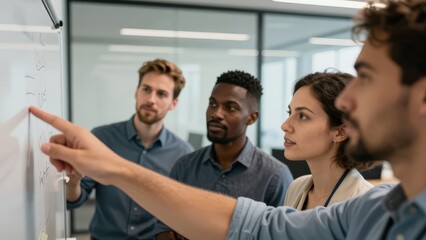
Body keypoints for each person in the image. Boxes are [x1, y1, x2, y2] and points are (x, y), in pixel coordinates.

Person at [31, 0, 426, 239]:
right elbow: (254, 227)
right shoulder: (378, 212)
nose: (350, 98)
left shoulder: (291, 180)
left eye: (368, 78)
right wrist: (116, 168)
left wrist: (116, 169)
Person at [155, 70, 293, 239]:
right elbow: (162, 228)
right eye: (212, 104)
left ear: (251, 118)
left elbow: (283, 235)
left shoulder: (275, 176)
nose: (216, 113)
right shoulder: (185, 166)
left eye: (230, 107)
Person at [66, 59, 194, 240]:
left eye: (162, 94)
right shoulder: (102, 138)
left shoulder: (183, 153)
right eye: (146, 89)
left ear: (173, 103)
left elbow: (184, 212)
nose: (151, 99)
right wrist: (73, 183)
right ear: (136, 92)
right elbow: (73, 201)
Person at [282, 71, 378, 210]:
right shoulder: (296, 188)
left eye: (302, 116)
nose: (285, 126)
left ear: (340, 132)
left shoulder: (365, 202)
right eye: (290, 113)